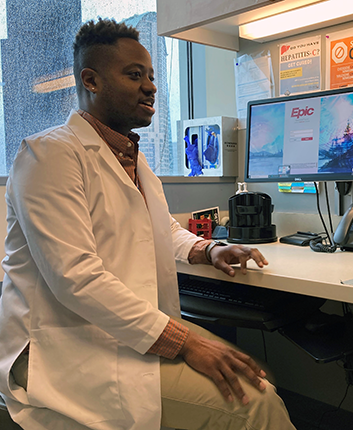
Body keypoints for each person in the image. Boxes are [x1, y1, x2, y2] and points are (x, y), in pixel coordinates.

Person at [0, 19, 296, 430]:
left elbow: (161, 229)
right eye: (134, 75)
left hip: (116, 329)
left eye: (152, 76)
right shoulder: (49, 155)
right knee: (255, 403)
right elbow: (76, 278)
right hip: (60, 346)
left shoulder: (133, 160)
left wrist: (208, 249)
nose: (151, 87)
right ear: (91, 80)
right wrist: (186, 341)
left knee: (258, 376)